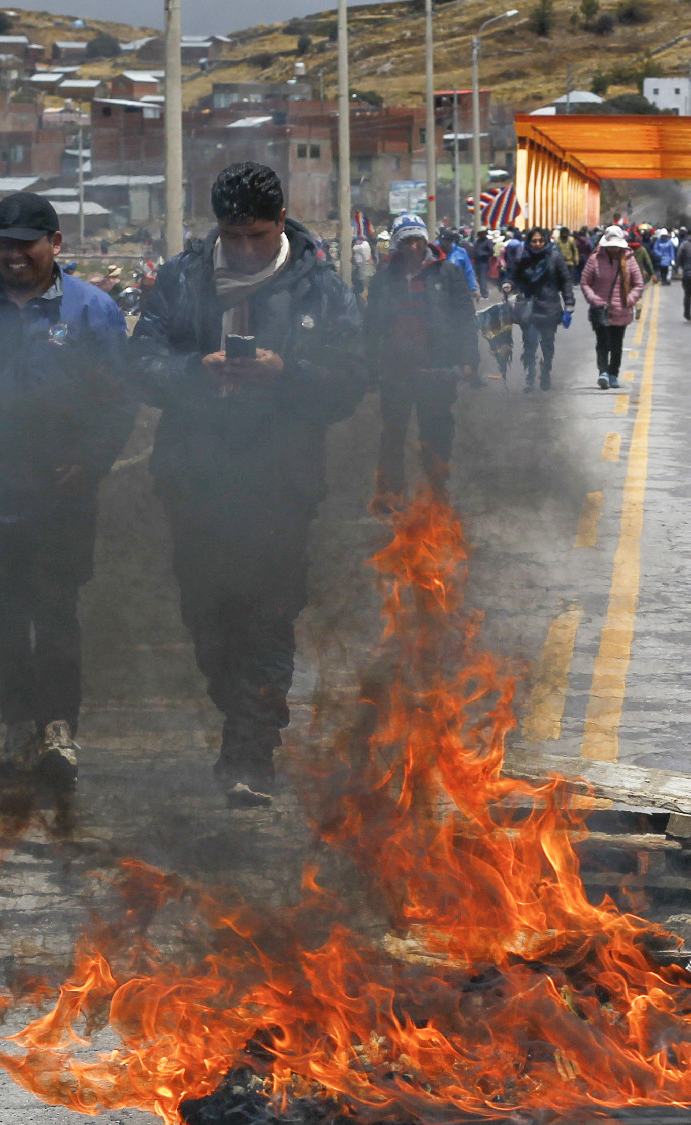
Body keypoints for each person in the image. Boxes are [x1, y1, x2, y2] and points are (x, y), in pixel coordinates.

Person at [129, 163, 365, 805]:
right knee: (209, 622)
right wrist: (194, 374)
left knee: (267, 619)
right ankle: (241, 718)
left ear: (281, 221)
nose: (245, 248)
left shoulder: (320, 286)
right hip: (196, 481)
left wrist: (286, 374)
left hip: (280, 483)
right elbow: (141, 362)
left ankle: (250, 752)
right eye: (233, 236)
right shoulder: (182, 278)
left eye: (257, 235)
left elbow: (351, 379)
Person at [0, 191, 135, 786]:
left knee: (57, 612)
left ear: (56, 244)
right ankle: (17, 723)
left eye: (26, 243)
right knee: (4, 616)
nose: (13, 256)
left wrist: (90, 463)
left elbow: (121, 398)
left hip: (62, 491)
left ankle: (59, 728)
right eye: (4, 245)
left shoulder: (93, 311)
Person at [364, 213, 478, 498]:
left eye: (417, 240)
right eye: (406, 242)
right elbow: (371, 326)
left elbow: (465, 318)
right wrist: (368, 366)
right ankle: (393, 493)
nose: (413, 247)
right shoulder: (383, 280)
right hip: (395, 370)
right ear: (397, 245)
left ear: (426, 241)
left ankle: (436, 489)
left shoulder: (448, 274)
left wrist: (468, 361)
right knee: (393, 434)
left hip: (437, 368)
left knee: (437, 431)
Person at [507, 225, 574, 390]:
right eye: (534, 241)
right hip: (529, 307)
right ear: (529, 242)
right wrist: (508, 284)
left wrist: (569, 304)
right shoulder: (524, 258)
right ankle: (529, 376)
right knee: (529, 344)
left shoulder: (555, 257)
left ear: (546, 240)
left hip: (550, 308)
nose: (537, 244)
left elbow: (565, 281)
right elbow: (514, 276)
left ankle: (545, 371)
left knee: (548, 344)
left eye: (540, 240)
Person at [579, 225, 645, 391]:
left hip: (621, 310)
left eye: (616, 246)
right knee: (602, 342)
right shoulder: (595, 259)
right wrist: (594, 299)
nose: (614, 249)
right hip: (600, 309)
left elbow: (638, 284)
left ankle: (613, 373)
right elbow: (585, 282)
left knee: (616, 344)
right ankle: (603, 373)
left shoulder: (629, 259)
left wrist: (629, 299)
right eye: (611, 246)